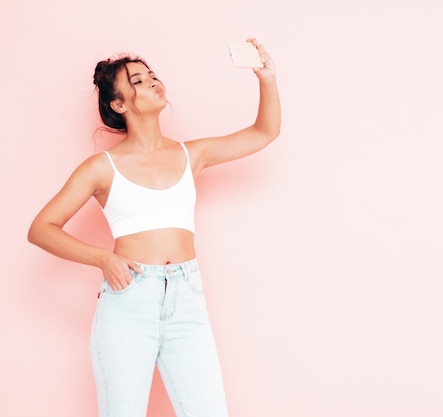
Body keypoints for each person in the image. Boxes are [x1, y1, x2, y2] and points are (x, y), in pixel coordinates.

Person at [27, 38, 280, 417]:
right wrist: (103, 258)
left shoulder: (190, 153)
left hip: (187, 300)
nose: (153, 82)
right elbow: (41, 228)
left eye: (153, 76)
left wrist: (267, 79)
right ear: (120, 104)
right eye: (139, 81)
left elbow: (264, 133)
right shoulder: (101, 168)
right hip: (129, 301)